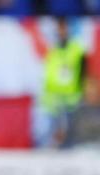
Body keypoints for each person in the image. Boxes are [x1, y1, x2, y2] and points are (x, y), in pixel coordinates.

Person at [40, 16, 88, 148]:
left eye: (63, 27)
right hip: (53, 98)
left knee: (70, 131)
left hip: (71, 97)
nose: (61, 31)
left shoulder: (77, 49)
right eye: (59, 28)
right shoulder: (53, 49)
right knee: (52, 132)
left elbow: (83, 71)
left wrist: (82, 90)